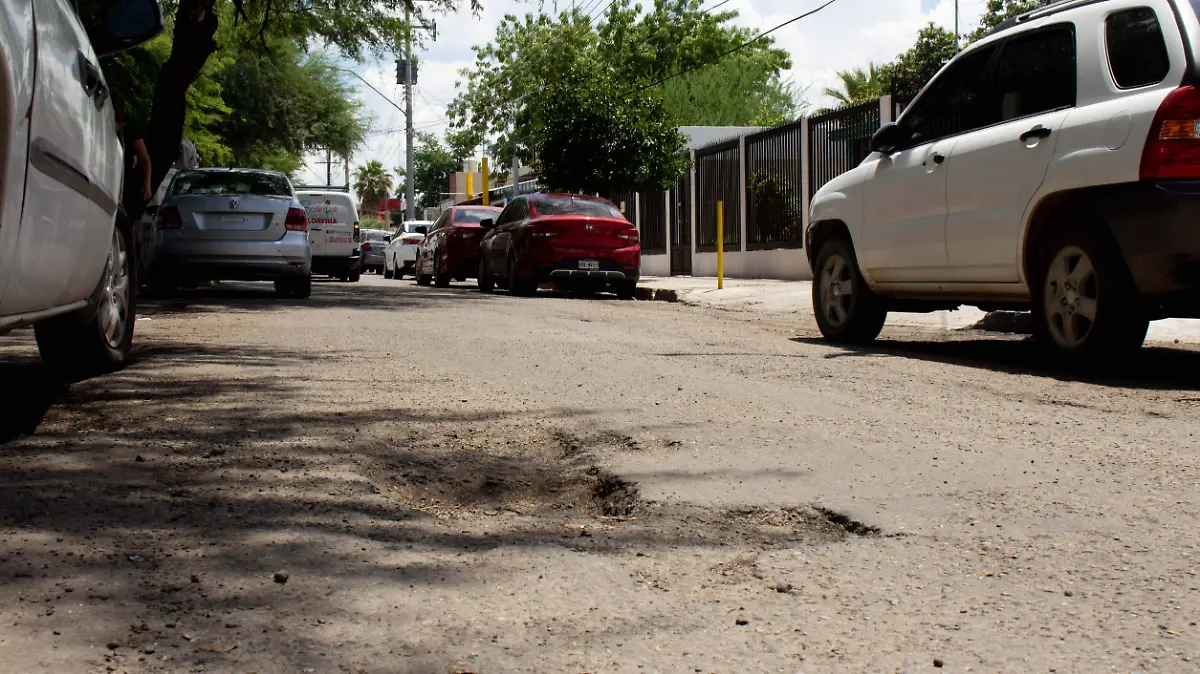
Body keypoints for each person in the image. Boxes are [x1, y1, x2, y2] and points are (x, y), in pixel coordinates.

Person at [111, 95, 152, 222]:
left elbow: (144, 159)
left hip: (124, 180)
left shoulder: (128, 130)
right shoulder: (103, 127)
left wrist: (147, 183)